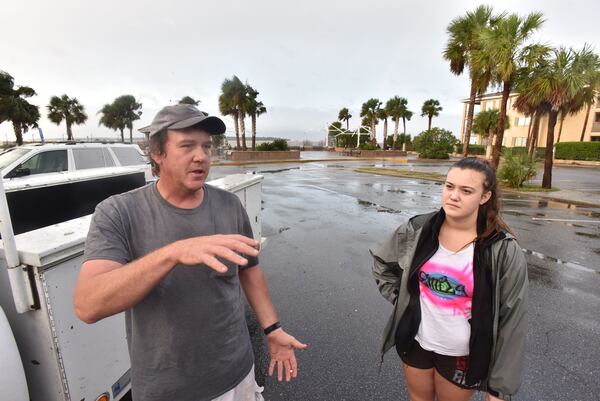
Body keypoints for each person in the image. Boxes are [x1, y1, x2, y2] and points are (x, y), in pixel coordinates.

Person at [74, 104, 307, 401]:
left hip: (238, 374)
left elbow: (250, 270)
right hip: (169, 390)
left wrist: (272, 329)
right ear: (158, 154)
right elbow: (88, 304)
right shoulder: (119, 212)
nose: (201, 156)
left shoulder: (228, 205)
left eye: (206, 146)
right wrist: (172, 253)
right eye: (187, 146)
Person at [371, 157, 528, 401]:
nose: (454, 196)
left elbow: (512, 321)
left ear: (484, 197)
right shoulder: (419, 229)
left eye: (466, 191)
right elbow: (383, 263)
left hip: (463, 354)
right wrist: (403, 299)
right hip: (416, 342)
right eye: (449, 186)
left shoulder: (502, 249)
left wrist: (499, 388)